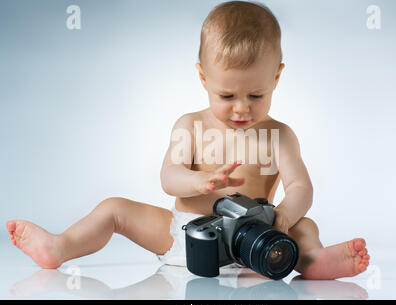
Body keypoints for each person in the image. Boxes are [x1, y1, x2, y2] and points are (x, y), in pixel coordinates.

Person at [6, 1, 369, 280]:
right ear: (203, 78)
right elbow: (168, 178)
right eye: (227, 96)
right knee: (114, 208)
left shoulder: (280, 135)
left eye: (255, 96)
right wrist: (199, 181)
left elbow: (301, 187)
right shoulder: (191, 125)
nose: (241, 109)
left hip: (252, 247)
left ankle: (314, 261)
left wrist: (286, 216)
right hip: (182, 235)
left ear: (276, 78)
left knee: (306, 227)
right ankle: (59, 246)